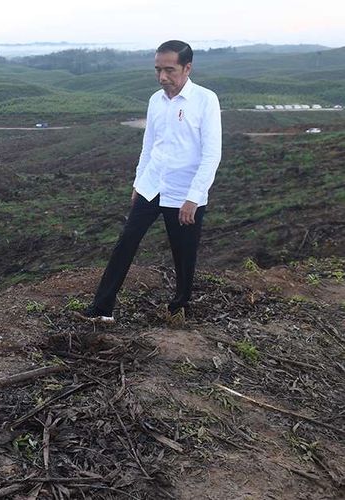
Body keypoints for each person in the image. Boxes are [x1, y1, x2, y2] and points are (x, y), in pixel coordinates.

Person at [79, 40, 222, 326]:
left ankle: (178, 309)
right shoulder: (155, 100)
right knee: (125, 244)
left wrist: (194, 197)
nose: (162, 77)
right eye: (158, 70)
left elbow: (212, 153)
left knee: (183, 254)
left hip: (184, 192)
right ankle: (102, 308)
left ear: (187, 67)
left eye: (169, 70)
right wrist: (138, 181)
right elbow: (148, 145)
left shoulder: (206, 100)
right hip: (152, 185)